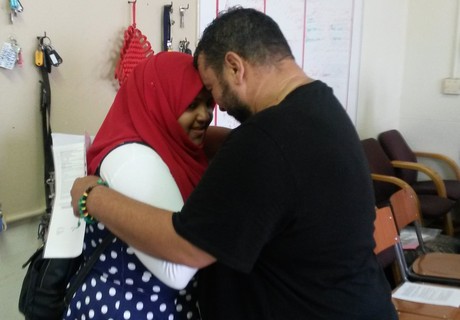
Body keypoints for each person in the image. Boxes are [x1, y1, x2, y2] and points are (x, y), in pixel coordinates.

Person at [71, 7, 398, 320]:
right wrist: (170, 131)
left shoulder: (264, 142)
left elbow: (184, 251)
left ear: (235, 67)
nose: (219, 109)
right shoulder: (321, 110)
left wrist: (93, 197)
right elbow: (266, 160)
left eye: (213, 92)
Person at [64, 51, 215, 320]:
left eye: (208, 103)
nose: (204, 115)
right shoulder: (132, 158)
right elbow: (177, 269)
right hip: (126, 310)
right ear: (161, 104)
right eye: (191, 105)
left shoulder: (175, 151)